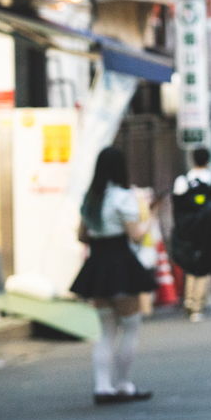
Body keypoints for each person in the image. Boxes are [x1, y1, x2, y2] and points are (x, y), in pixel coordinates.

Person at [71, 147, 157, 404]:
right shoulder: (123, 197)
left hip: (97, 265)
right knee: (131, 328)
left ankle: (102, 386)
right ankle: (123, 384)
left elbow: (81, 236)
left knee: (106, 331)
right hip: (122, 264)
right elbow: (136, 235)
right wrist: (151, 215)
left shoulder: (90, 198)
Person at [172, 148, 211, 323]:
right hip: (205, 228)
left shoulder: (182, 181)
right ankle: (197, 304)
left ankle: (189, 298)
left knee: (190, 264)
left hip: (186, 229)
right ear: (207, 160)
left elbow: (177, 205)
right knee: (203, 266)